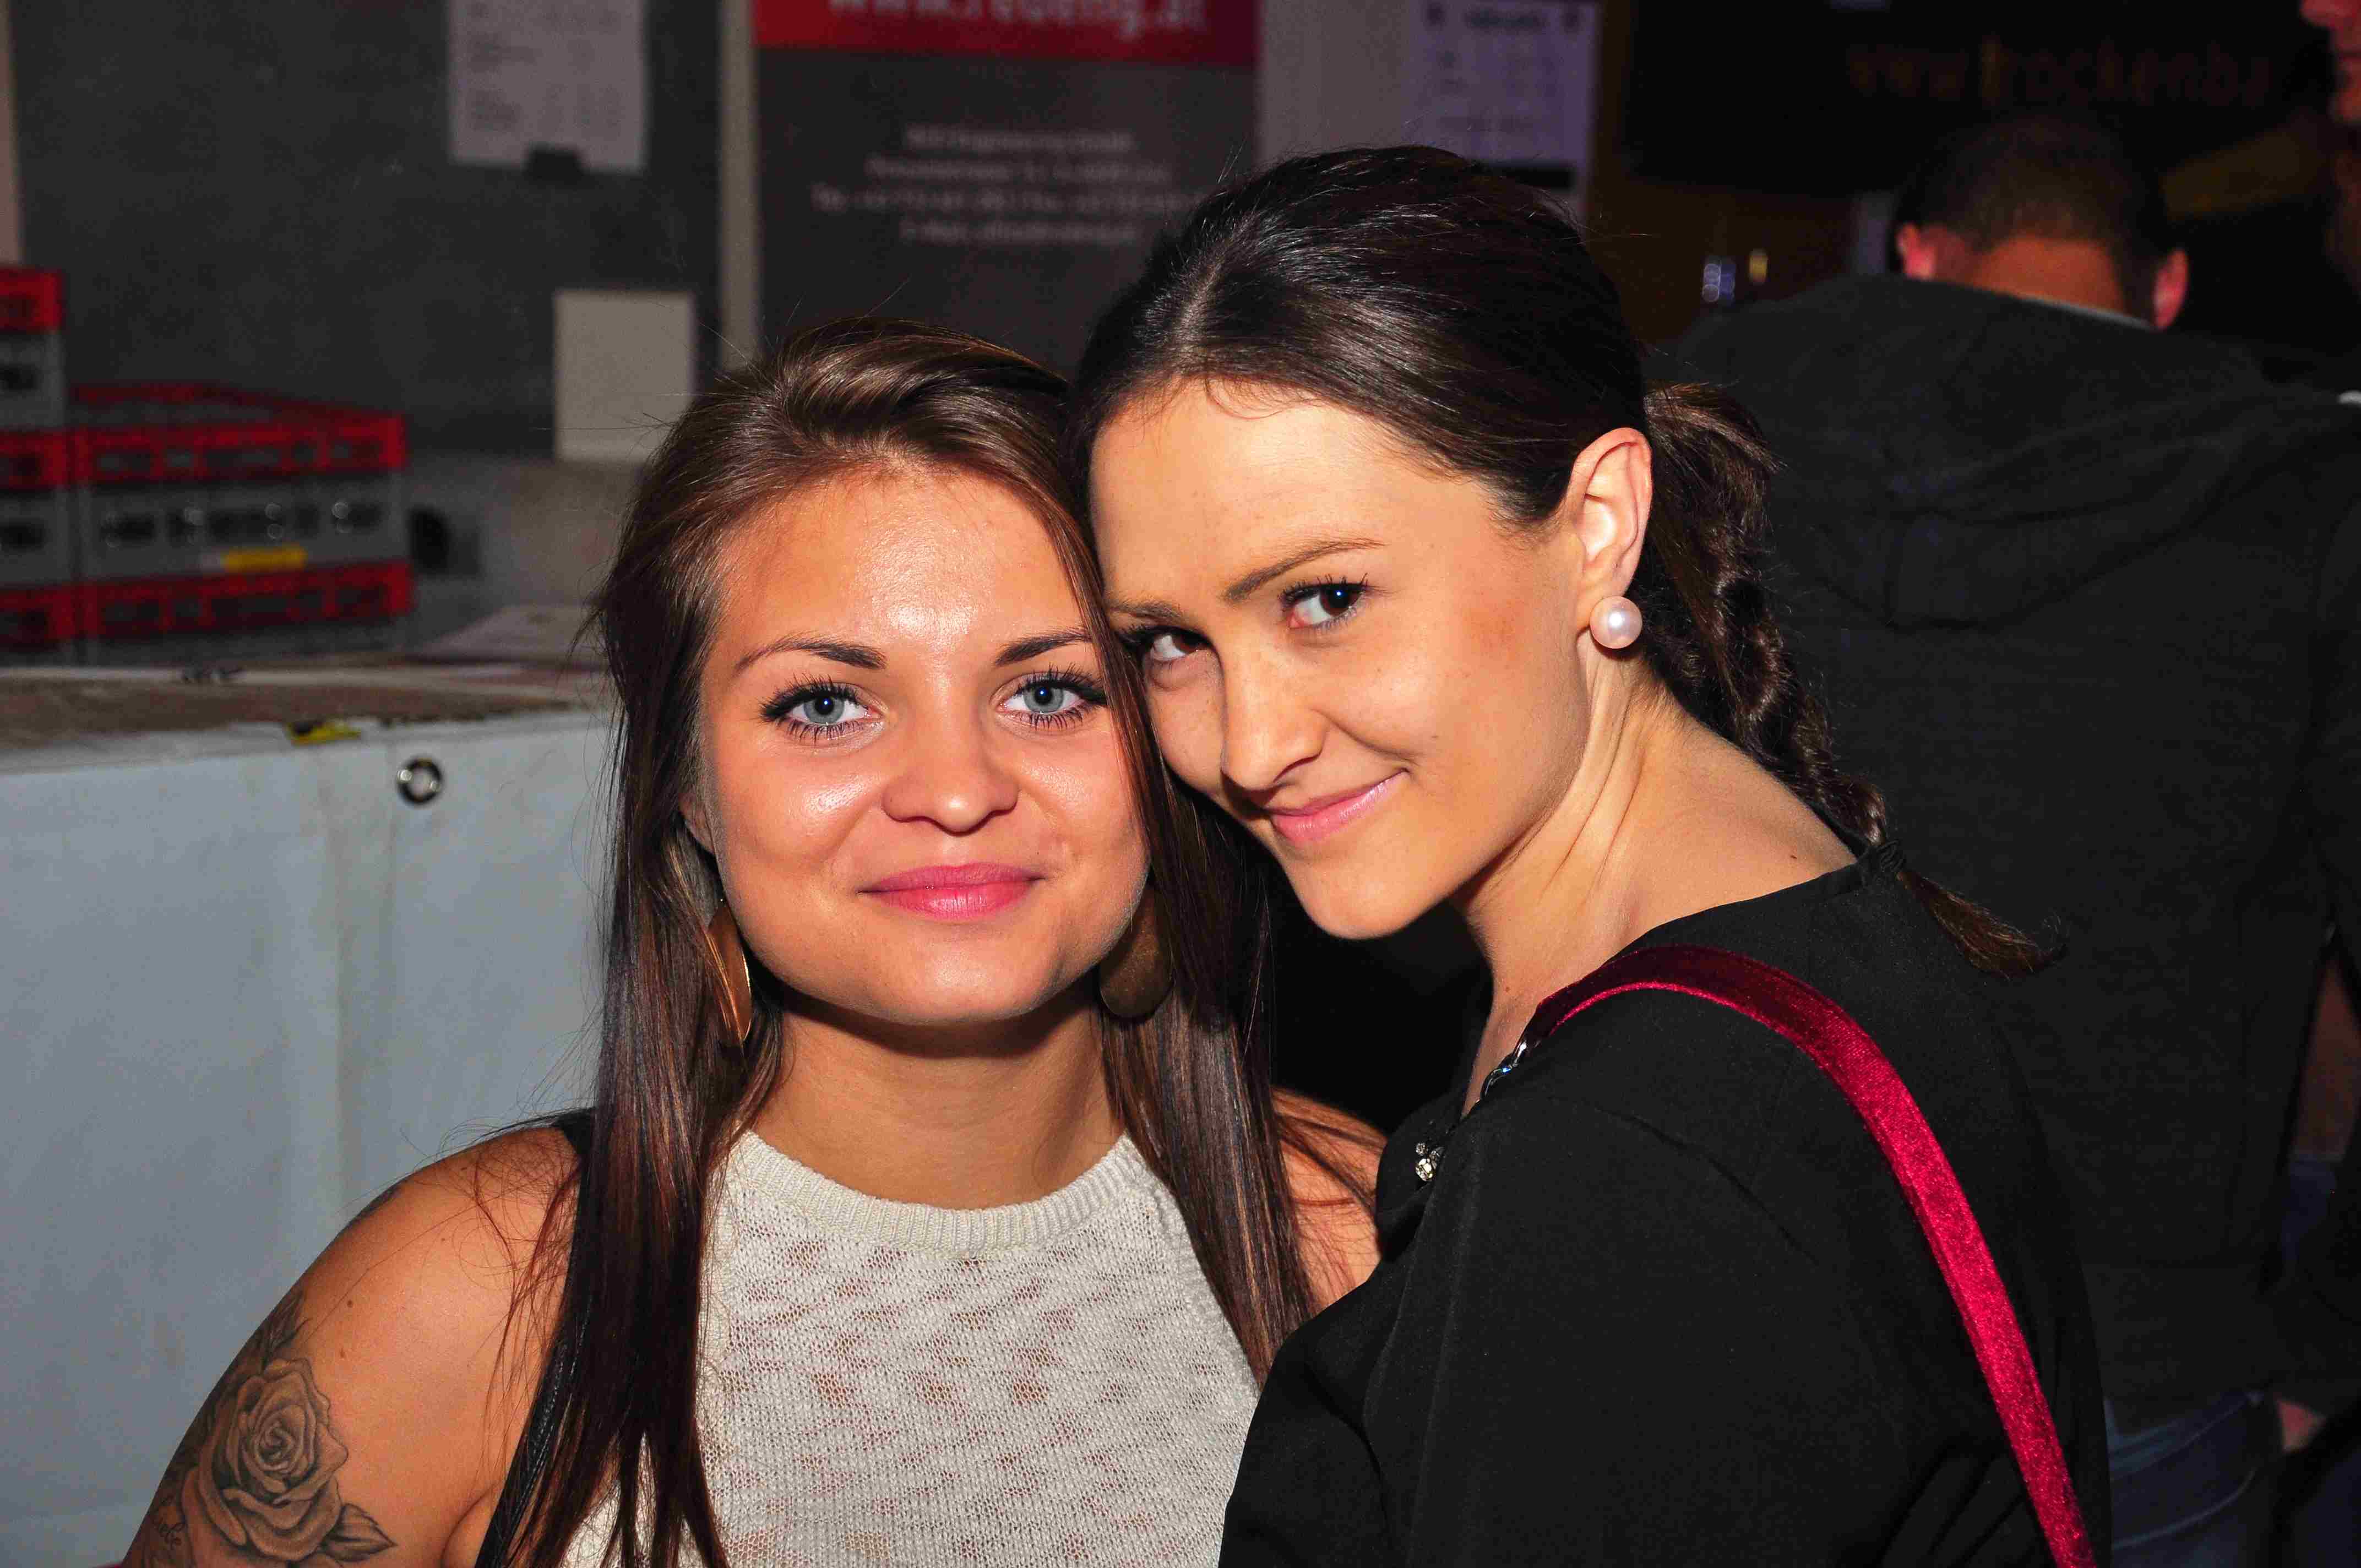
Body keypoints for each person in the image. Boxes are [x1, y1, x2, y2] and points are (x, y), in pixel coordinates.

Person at [118, 319, 1378, 1568]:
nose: (954, 789)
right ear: (688, 787)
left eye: (1048, 691)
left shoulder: (1371, 1249)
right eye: (825, 704)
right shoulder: (472, 1294)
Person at [1070, 145, 2109, 1564]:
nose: (1246, 744)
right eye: (1168, 642)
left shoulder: (1626, 1160)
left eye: (1324, 599)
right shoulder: (1777, 887)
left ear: (1596, 526)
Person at [1660, 115, 2361, 1565]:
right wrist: (2315, 1353)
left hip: (1733, 1306)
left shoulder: (1684, 443)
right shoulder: (2305, 503)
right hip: (2137, 1368)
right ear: (2164, 287)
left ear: (1918, 257)